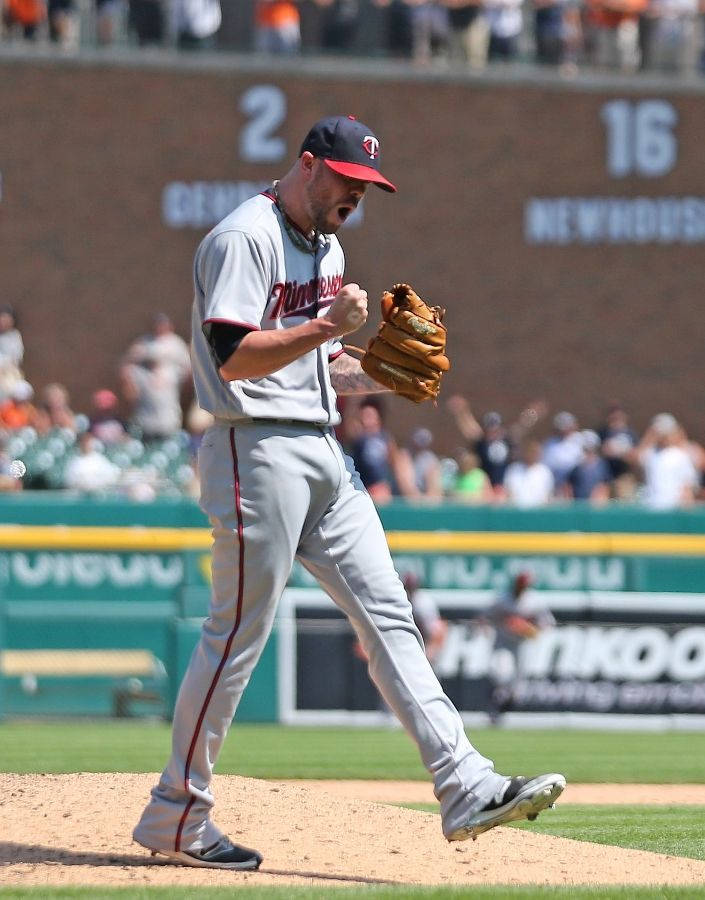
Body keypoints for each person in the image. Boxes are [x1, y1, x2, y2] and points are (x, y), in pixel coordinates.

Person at [132, 114, 565, 871]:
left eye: (368, 186)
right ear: (307, 166)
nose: (357, 197)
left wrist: (379, 374)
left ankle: (464, 784)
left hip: (321, 448)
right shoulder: (245, 237)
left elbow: (316, 361)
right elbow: (233, 357)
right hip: (253, 446)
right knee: (236, 637)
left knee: (389, 613)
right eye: (348, 181)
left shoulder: (327, 245)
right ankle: (177, 812)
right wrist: (328, 323)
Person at [480, 572, 555, 723]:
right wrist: (498, 625)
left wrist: (528, 628)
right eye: (521, 584)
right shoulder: (503, 599)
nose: (523, 587)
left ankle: (501, 708)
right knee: (501, 673)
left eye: (525, 584)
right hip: (504, 643)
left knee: (517, 690)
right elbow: (486, 617)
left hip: (523, 645)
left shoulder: (534, 601)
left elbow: (548, 623)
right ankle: (495, 708)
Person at [633, 413, 699, 509]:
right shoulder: (649, 453)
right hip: (651, 507)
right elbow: (635, 458)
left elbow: (687, 487)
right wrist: (650, 436)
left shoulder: (680, 456)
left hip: (673, 508)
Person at [0, 305, 25, 401]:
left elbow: (16, 358)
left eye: (7, 320)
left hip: (9, 374)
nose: (3, 322)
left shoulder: (14, 337)